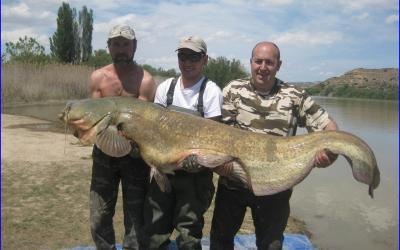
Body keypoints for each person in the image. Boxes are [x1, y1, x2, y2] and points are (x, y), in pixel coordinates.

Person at [209, 41, 338, 250]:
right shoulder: (233, 90)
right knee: (220, 241)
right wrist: (219, 162)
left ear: (278, 65)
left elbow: (329, 127)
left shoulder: (295, 95)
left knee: (271, 245)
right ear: (250, 63)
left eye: (269, 62)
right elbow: (218, 135)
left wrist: (328, 153)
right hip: (233, 184)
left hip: (275, 188)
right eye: (258, 61)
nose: (263, 67)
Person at [143, 36, 223, 250]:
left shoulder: (211, 92)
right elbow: (154, 130)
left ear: (205, 59)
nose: (187, 62)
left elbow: (213, 138)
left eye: (194, 57)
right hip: (163, 172)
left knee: (189, 235)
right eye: (182, 56)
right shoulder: (165, 88)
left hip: (196, 177)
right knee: (154, 232)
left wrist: (198, 160)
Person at [89, 24, 156, 250]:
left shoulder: (144, 80)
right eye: (116, 44)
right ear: (108, 47)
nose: (121, 49)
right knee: (100, 213)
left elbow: (142, 124)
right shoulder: (98, 77)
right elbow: (94, 117)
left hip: (134, 155)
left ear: (134, 46)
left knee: (136, 214)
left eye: (125, 44)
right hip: (103, 154)